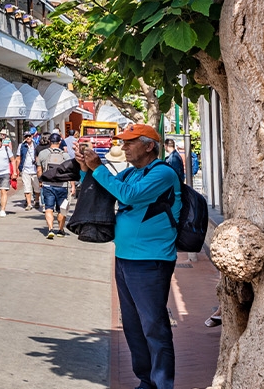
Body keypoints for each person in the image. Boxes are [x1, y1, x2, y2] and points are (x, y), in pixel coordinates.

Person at [78, 124, 181, 389]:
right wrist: (86, 169)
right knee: (133, 326)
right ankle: (146, 381)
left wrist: (98, 167)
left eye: (130, 142)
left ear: (149, 146)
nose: (123, 147)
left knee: (154, 326)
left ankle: (162, 384)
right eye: (123, 142)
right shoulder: (132, 172)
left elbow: (128, 195)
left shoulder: (163, 173)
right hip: (125, 257)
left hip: (151, 260)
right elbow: (105, 189)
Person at [37, 135, 73, 239]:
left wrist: (40, 181)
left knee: (49, 208)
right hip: (62, 185)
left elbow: (39, 170)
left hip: (48, 185)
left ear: (49, 141)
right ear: (60, 142)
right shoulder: (65, 155)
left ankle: (50, 229)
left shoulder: (42, 154)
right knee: (62, 209)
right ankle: (61, 230)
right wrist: (72, 185)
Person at [18, 134, 40, 210]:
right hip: (25, 169)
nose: (28, 138)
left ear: (32, 137)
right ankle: (29, 204)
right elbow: (18, 157)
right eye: (26, 136)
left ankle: (37, 200)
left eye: (29, 136)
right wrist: (18, 169)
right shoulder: (21, 146)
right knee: (27, 188)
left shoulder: (36, 145)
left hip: (35, 170)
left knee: (37, 188)